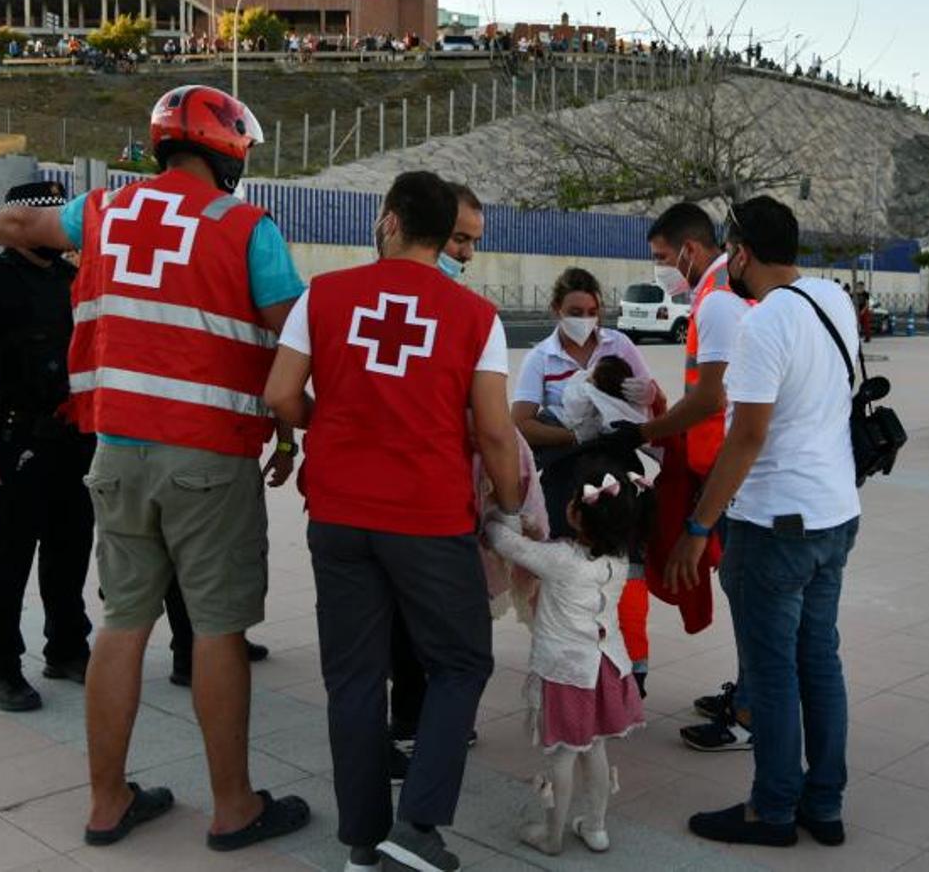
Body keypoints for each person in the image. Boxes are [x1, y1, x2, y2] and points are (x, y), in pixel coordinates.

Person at [0, 84, 311, 851]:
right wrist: (292, 433)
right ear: (229, 149)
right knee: (216, 629)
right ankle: (233, 806)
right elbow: (294, 345)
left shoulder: (104, 211)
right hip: (206, 456)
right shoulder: (245, 227)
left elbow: (23, 223)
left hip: (114, 450)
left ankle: (108, 803)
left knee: (123, 622)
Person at [263, 170, 522, 872]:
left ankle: (361, 842)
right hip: (428, 518)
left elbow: (281, 394)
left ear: (388, 221)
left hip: (339, 514)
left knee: (353, 678)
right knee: (460, 660)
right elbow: (496, 432)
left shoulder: (322, 296)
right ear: (445, 236)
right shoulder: (475, 318)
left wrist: (332, 425)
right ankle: (419, 827)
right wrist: (513, 506)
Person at [665, 196, 861, 848]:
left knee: (773, 672)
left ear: (741, 252)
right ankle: (823, 805)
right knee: (819, 663)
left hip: (772, 523)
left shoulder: (762, 324)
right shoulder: (831, 300)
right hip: (834, 516)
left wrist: (698, 527)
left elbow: (745, 437)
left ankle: (772, 810)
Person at [0, 180, 94, 713]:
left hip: (73, 441)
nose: (57, 229)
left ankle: (68, 648)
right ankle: (0, 668)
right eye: (47, 218)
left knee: (70, 548)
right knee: (8, 557)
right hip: (11, 444)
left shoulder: (71, 280)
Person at [483, 464, 648, 857]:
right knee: (595, 748)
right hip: (607, 668)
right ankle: (595, 827)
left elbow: (507, 543)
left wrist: (493, 513)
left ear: (577, 514)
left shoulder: (560, 559)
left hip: (566, 673)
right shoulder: (620, 560)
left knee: (562, 754)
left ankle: (552, 833)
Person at [637, 202, 752, 752]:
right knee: (742, 591)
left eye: (663, 257)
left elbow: (712, 396)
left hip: (727, 474)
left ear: (690, 248)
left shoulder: (718, 303)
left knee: (748, 594)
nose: (662, 269)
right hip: (718, 468)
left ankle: (750, 713)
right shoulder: (716, 296)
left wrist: (648, 430)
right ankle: (750, 693)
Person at [386, 181, 488, 782]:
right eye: (459, 239)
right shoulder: (458, 312)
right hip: (414, 499)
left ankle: (423, 721)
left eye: (474, 242)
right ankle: (412, 726)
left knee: (430, 616)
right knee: (414, 618)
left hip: (433, 489)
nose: (468, 255)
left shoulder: (462, 308)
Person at [511, 267, 658, 688]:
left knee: (626, 570)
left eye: (593, 310)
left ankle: (633, 667)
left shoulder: (620, 344)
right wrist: (574, 433)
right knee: (572, 572)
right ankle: (574, 664)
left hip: (619, 468)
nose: (585, 318)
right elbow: (519, 422)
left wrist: (644, 398)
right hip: (567, 477)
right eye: (575, 310)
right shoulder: (541, 357)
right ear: (557, 309)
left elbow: (648, 403)